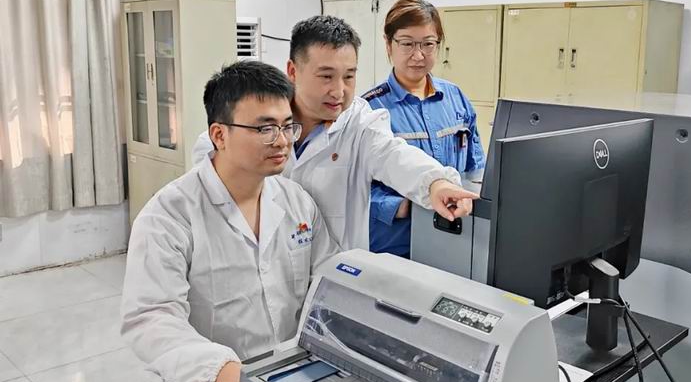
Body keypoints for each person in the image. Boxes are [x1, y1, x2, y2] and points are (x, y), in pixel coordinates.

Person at [121, 61, 340, 382]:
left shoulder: (296, 202)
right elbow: (150, 319)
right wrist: (220, 371)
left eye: (287, 126)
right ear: (219, 135)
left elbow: (327, 284)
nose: (282, 141)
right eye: (264, 128)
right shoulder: (170, 216)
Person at [192, 15, 478, 251]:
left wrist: (435, 183)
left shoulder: (359, 123)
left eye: (349, 76)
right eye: (326, 76)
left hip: (333, 276)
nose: (339, 91)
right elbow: (211, 160)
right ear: (293, 71)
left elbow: (394, 155)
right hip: (263, 273)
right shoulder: (257, 121)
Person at [364, 0, 485, 258]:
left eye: (428, 44)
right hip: (397, 246)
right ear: (388, 44)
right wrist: (403, 206)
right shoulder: (370, 109)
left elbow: (476, 169)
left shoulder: (456, 99)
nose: (418, 55)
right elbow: (351, 190)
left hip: (454, 240)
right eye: (407, 43)